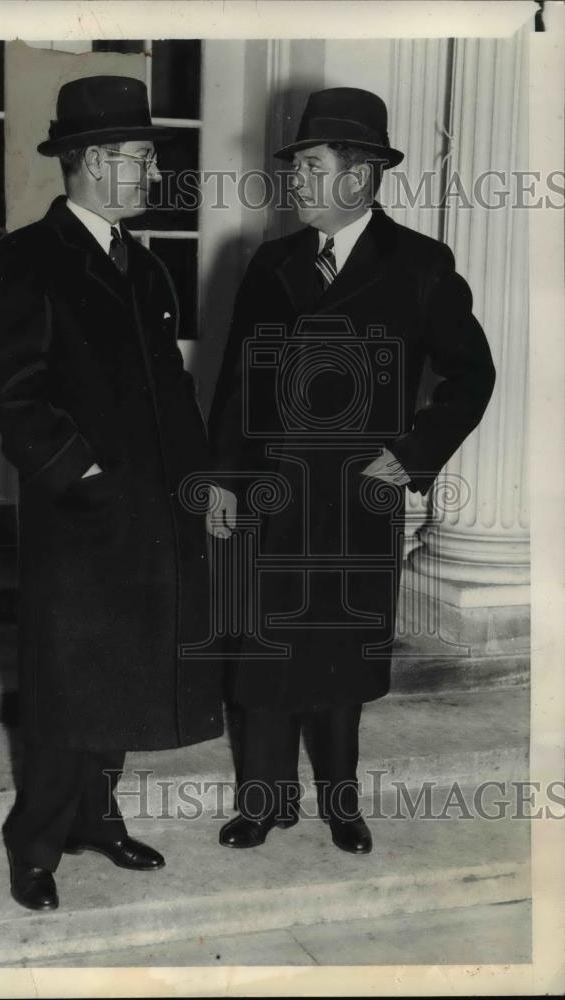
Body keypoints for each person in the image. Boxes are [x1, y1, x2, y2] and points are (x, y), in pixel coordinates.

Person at [207, 87, 495, 855]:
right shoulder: (269, 264)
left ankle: (341, 804)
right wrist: (224, 484)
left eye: (310, 166)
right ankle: (263, 804)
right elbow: (236, 385)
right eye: (295, 167)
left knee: (340, 661)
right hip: (270, 495)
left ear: (360, 177)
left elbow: (472, 376)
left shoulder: (422, 266)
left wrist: (412, 454)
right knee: (263, 656)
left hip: (355, 503)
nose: (295, 182)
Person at [0, 75, 222, 911]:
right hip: (78, 520)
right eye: (139, 158)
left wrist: (200, 484)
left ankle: (95, 818)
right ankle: (34, 844)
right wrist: (81, 474)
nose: (152, 174)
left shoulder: (145, 270)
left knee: (126, 676)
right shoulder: (26, 258)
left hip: (151, 518)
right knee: (65, 685)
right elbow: (7, 392)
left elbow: (174, 394)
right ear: (83, 162)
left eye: (150, 157)